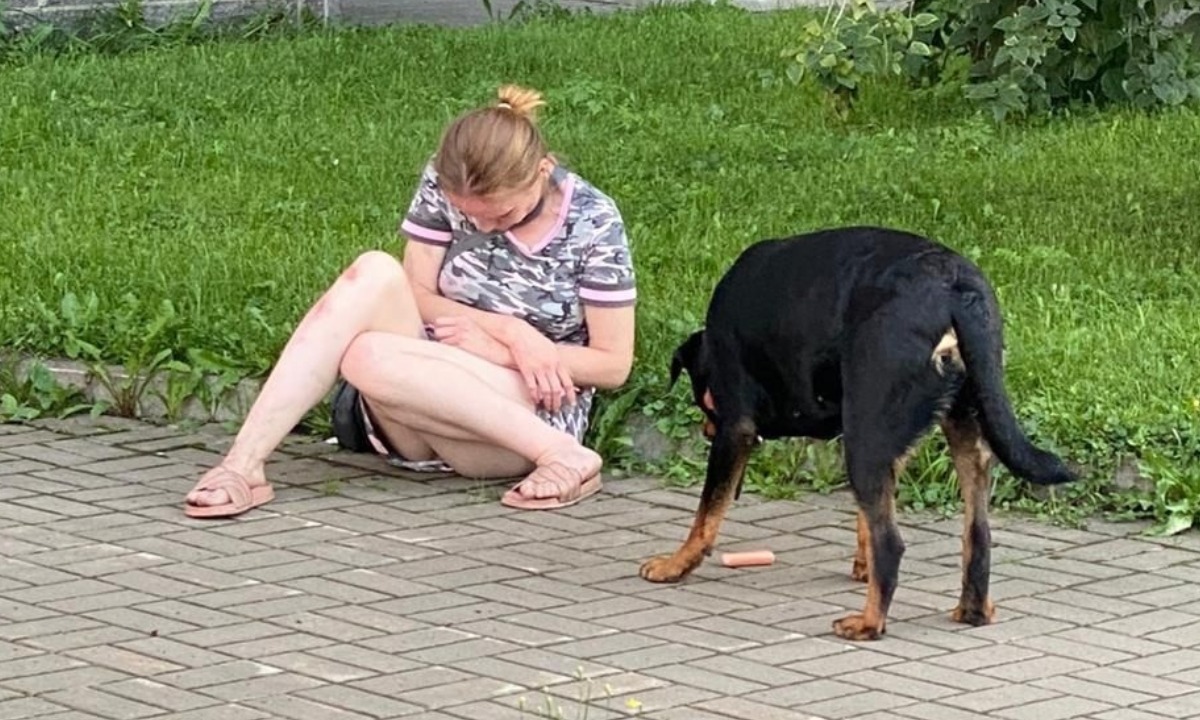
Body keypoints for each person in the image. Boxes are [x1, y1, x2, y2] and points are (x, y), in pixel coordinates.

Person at [183, 84, 637, 517]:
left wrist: (505, 352)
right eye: (468, 215)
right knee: (374, 271)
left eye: (502, 215)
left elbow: (613, 365)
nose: (482, 229)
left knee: (365, 355)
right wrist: (509, 331)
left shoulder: (593, 219)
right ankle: (242, 465)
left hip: (521, 418)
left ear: (542, 170)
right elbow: (416, 294)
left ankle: (563, 455)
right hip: (414, 401)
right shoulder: (442, 180)